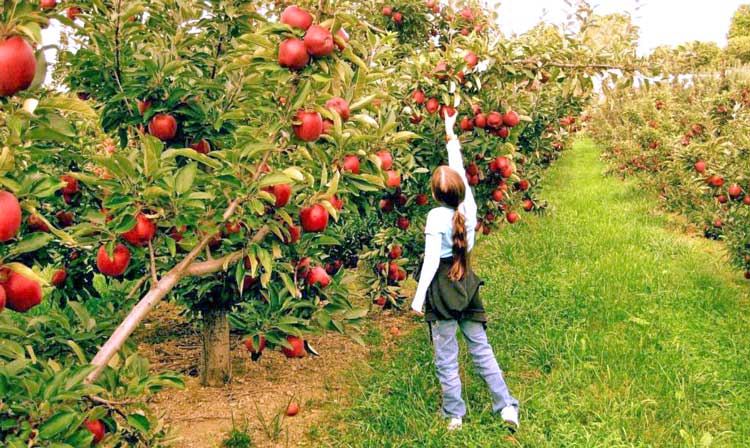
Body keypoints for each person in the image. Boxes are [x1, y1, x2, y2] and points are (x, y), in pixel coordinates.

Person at [411, 110, 519, 431]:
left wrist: (418, 298)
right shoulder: (468, 208)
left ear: (435, 195)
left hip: (443, 291)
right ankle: (506, 407)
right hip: (466, 283)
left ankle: (454, 415)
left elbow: (432, 262)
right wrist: (451, 134)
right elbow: (457, 170)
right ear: (460, 189)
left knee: (446, 356)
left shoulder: (435, 217)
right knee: (481, 349)